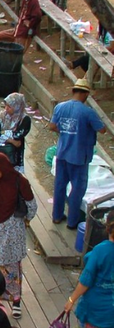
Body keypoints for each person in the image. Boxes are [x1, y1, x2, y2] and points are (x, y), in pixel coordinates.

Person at [0, 153, 37, 319]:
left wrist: (25, 220)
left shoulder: (20, 181)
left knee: (12, 267)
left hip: (12, 231)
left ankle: (16, 301)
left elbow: (31, 205)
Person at [48, 78, 106, 229]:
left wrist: (66, 133)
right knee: (77, 190)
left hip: (62, 154)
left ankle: (57, 216)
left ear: (73, 91)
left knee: (60, 186)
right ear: (86, 94)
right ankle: (72, 222)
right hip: (79, 157)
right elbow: (102, 129)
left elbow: (52, 126)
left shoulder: (60, 107)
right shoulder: (88, 112)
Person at [63, 209, 114, 328]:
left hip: (94, 309)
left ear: (107, 228)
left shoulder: (100, 250)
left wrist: (71, 300)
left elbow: (86, 280)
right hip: (110, 314)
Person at [0, 93, 31, 175]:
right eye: (6, 106)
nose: (6, 109)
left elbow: (17, 136)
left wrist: (2, 133)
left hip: (14, 156)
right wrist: (11, 140)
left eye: (9, 106)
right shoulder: (1, 116)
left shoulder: (24, 120)